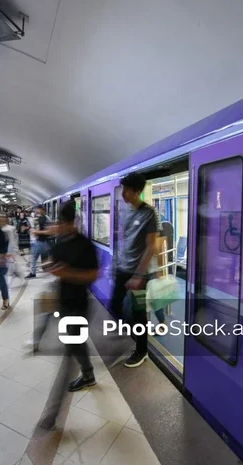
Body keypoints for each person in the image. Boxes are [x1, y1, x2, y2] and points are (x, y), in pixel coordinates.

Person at [37, 202, 99, 430]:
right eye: (58, 223)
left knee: (67, 357)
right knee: (75, 344)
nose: (60, 227)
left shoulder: (85, 246)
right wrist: (50, 267)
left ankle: (52, 414)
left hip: (79, 306)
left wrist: (68, 273)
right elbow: (52, 265)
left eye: (63, 223)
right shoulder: (58, 244)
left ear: (72, 222)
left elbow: (93, 275)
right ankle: (89, 374)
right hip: (62, 302)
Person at [110, 172, 157, 368]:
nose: (123, 194)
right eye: (123, 189)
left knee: (139, 312)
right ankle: (135, 334)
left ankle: (141, 350)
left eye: (127, 190)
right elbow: (125, 240)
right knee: (114, 305)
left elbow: (150, 246)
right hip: (122, 269)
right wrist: (116, 263)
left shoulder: (149, 213)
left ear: (137, 191)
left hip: (139, 274)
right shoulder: (126, 211)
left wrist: (139, 274)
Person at [25, 205, 51, 279]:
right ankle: (45, 269)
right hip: (42, 241)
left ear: (41, 209)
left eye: (37, 209)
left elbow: (48, 231)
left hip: (41, 242)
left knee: (33, 257)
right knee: (44, 257)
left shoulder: (45, 218)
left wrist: (37, 232)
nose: (36, 211)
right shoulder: (40, 218)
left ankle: (33, 273)